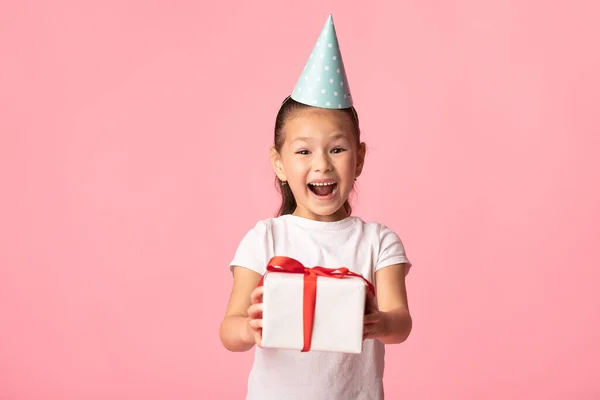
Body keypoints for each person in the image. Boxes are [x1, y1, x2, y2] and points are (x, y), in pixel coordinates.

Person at [219, 14, 413, 400]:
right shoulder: (265, 238)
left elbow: (402, 324)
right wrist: (249, 327)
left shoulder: (378, 241)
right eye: (304, 151)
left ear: (358, 160)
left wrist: (377, 322)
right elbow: (229, 330)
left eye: (337, 149)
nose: (322, 164)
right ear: (279, 162)